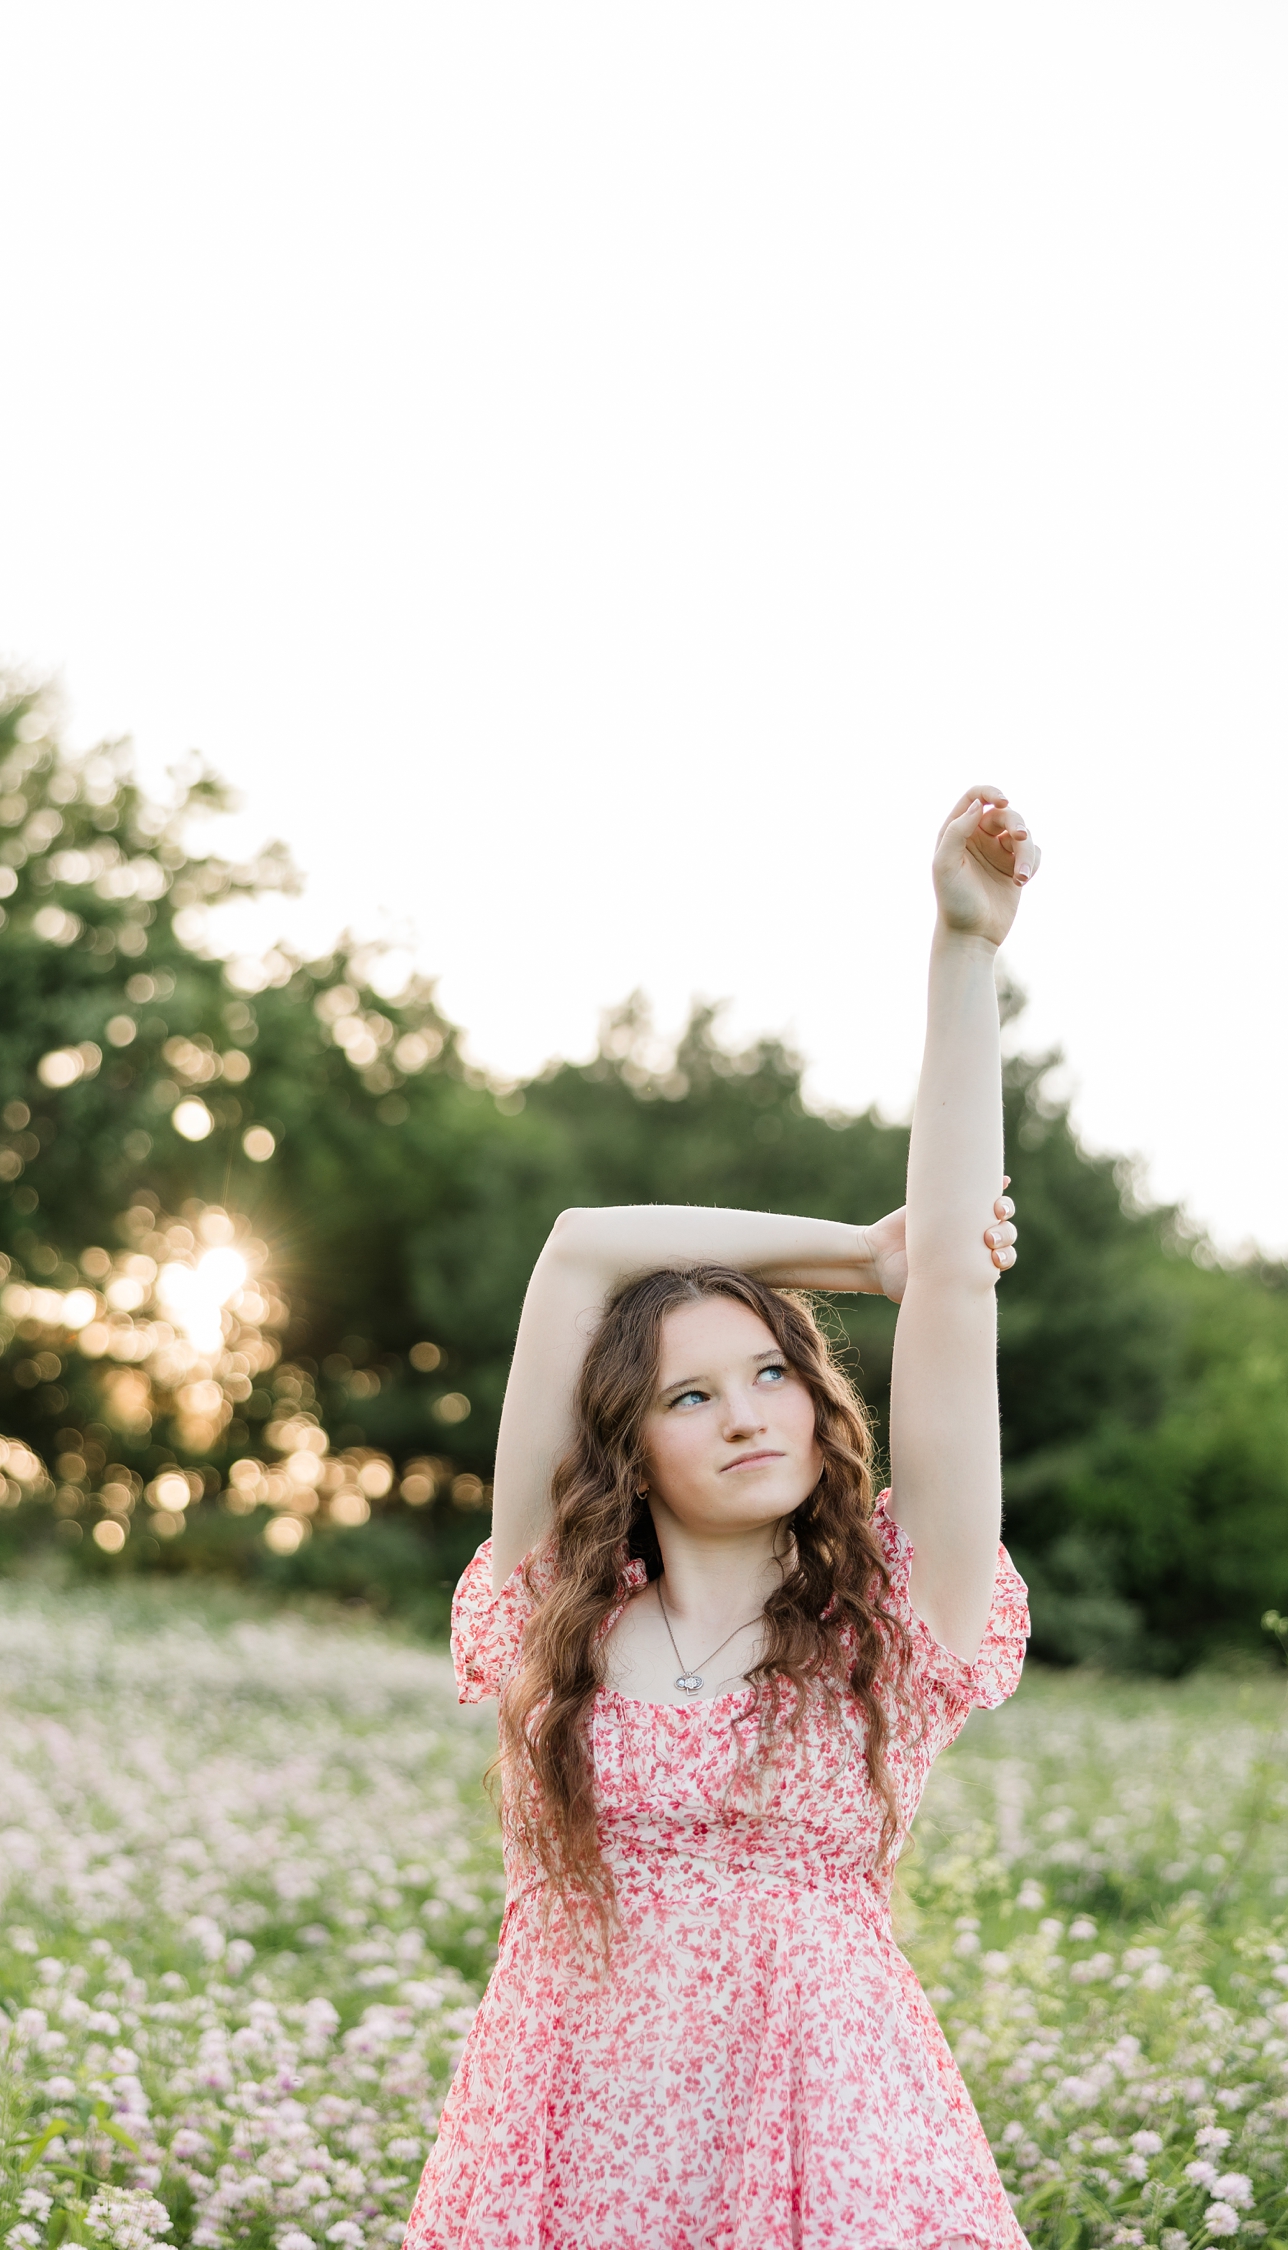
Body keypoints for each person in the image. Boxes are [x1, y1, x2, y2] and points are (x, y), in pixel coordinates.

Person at [404, 787, 1040, 2250]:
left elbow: (955, 1277)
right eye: (690, 1396)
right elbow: (578, 1254)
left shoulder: (895, 1617)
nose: (748, 1410)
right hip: (559, 2143)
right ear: (629, 1444)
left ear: (821, 1411)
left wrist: (962, 947)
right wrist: (849, 1254)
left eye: (772, 1372)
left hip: (828, 2139)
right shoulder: (548, 1601)